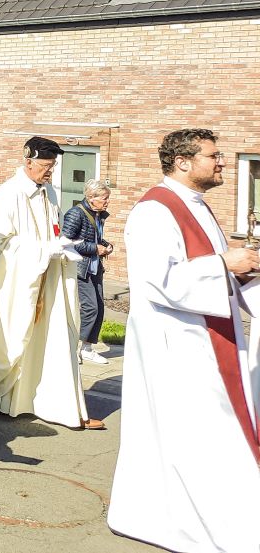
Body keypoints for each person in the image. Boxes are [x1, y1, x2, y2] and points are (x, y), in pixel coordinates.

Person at [108, 129, 260, 552]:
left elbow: (209, 268)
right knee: (193, 437)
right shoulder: (154, 211)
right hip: (176, 345)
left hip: (205, 338)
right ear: (182, 162)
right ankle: (184, 521)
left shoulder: (198, 206)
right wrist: (222, 263)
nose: (222, 163)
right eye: (214, 156)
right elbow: (159, 281)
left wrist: (238, 270)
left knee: (206, 437)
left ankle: (210, 516)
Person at [0, 137, 104, 430]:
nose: (50, 172)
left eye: (53, 166)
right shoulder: (9, 194)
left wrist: (61, 246)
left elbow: (53, 230)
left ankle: (49, 403)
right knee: (14, 337)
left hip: (49, 277)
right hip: (19, 282)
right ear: (28, 161)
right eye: (45, 166)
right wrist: (44, 250)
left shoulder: (49, 193)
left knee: (55, 339)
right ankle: (0, 394)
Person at [62, 178, 114, 365]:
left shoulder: (98, 214)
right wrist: (95, 249)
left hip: (94, 267)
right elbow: (66, 241)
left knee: (99, 308)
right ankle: (78, 349)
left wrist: (106, 246)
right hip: (81, 268)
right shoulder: (76, 214)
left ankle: (87, 348)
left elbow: (94, 238)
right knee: (90, 307)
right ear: (92, 198)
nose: (107, 202)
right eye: (104, 198)